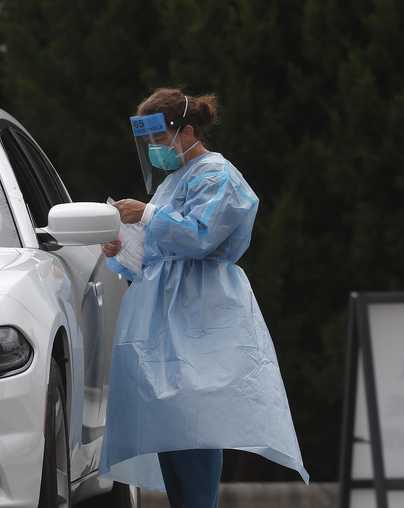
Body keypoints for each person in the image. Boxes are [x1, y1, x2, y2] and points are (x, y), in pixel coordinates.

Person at [98, 88, 309, 507]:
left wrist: (149, 215)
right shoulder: (174, 180)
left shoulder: (217, 175)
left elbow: (200, 236)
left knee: (195, 418)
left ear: (187, 131)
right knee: (170, 425)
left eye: (159, 141)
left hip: (199, 312)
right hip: (165, 313)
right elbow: (159, 252)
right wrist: (122, 246)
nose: (155, 151)